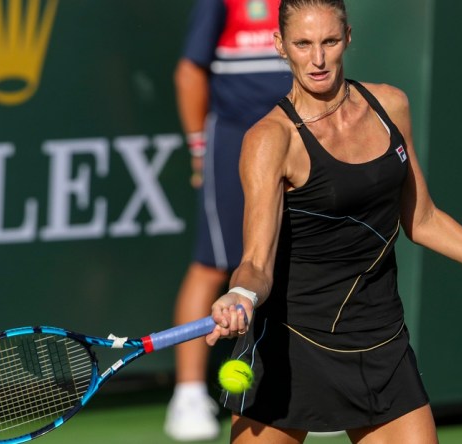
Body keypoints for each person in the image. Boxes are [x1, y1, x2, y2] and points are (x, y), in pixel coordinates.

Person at [204, 0, 462, 443]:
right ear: (280, 45)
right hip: (293, 344)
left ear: (348, 37)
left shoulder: (390, 105)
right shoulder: (268, 139)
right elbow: (256, 259)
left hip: (379, 339)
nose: (317, 59)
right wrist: (240, 293)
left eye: (329, 41)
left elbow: (422, 218)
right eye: (303, 43)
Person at [164, 0, 293, 441]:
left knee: (298, 259)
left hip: (298, 133)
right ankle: (187, 396)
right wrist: (201, 149)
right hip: (233, 140)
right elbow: (189, 73)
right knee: (213, 264)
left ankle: (310, 387)